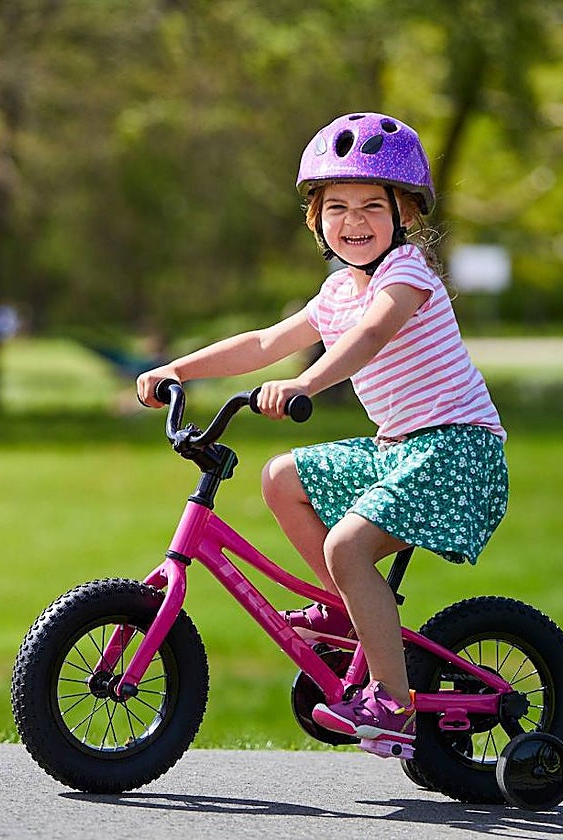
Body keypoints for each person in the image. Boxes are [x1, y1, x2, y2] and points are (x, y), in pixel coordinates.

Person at [136, 112, 508, 752]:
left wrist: (307, 385)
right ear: (316, 219)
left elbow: (370, 336)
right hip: (400, 451)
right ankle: (344, 613)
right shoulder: (337, 290)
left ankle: (392, 702)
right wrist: (178, 369)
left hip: (459, 451)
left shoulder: (408, 275)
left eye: (371, 205)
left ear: (406, 214)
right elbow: (262, 342)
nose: (353, 221)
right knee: (281, 476)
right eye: (336, 206)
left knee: (347, 546)